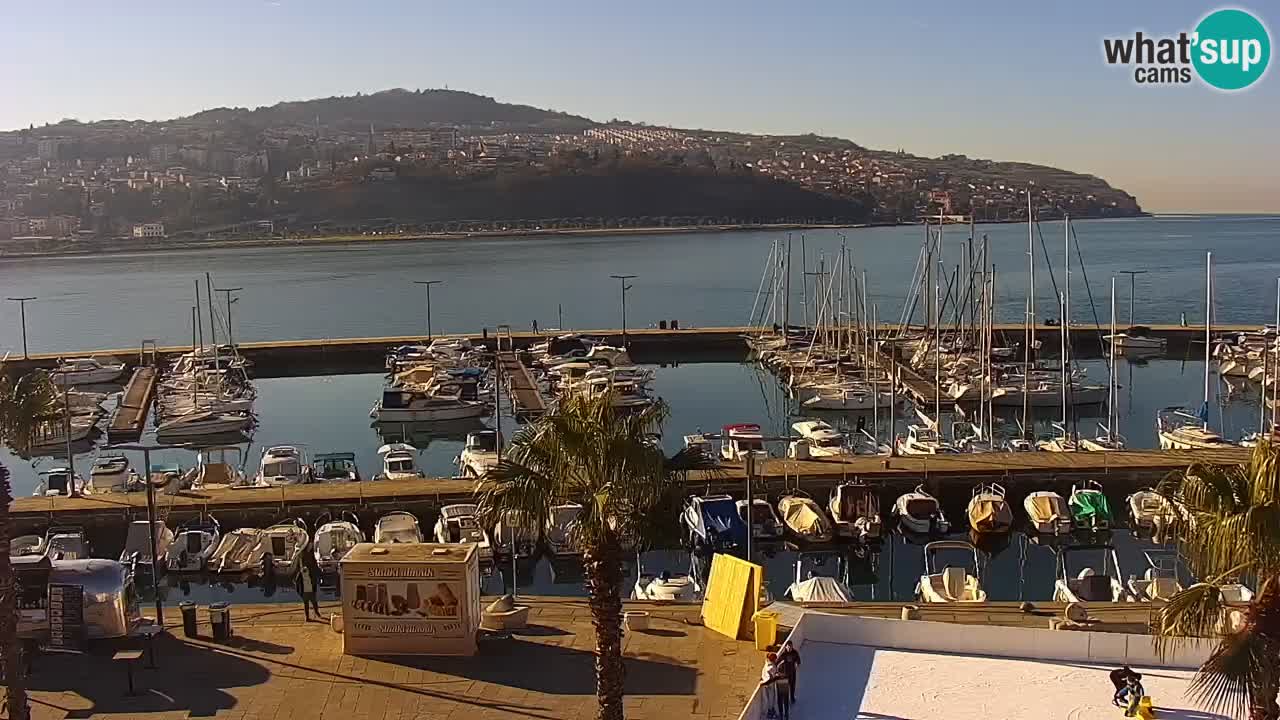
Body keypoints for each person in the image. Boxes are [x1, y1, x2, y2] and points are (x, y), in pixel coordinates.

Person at [759, 652, 790, 720]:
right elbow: (770, 679)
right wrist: (763, 683)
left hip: (769, 685)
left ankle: (772, 712)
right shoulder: (772, 667)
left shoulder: (768, 664)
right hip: (770, 686)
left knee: (772, 699)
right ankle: (771, 712)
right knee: (771, 699)